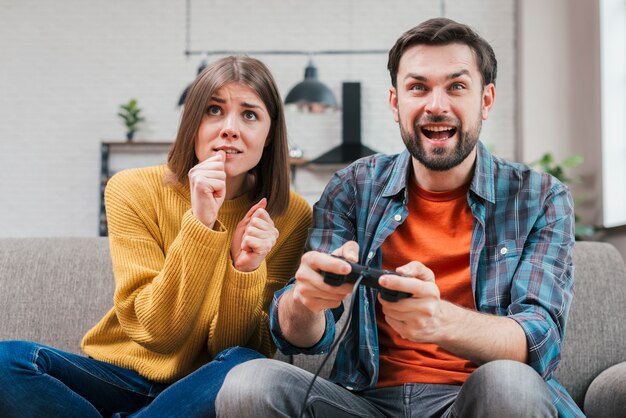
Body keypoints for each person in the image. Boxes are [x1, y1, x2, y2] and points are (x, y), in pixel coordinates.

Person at [216, 18, 582, 417]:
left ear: (486, 101)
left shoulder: (541, 197)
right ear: (396, 103)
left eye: (456, 87)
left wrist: (440, 320)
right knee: (248, 384)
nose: (436, 105)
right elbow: (298, 338)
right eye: (418, 87)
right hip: (364, 402)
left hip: (474, 400)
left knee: (510, 382)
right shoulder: (353, 186)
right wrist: (305, 302)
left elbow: (539, 339)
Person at [0, 56, 312, 417]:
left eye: (249, 115)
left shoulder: (289, 214)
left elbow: (237, 347)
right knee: (7, 362)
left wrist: (244, 269)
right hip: (116, 377)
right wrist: (200, 225)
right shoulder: (131, 189)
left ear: (270, 133)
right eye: (214, 110)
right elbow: (158, 332)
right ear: (193, 123)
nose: (229, 128)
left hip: (202, 387)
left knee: (246, 364)